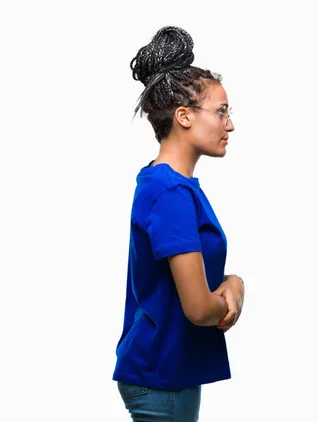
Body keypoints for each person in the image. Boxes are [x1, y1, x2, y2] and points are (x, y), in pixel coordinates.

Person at [112, 26, 245, 422]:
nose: (230, 124)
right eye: (221, 111)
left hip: (165, 373)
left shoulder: (170, 185)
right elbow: (199, 309)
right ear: (184, 116)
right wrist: (234, 291)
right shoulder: (170, 192)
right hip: (162, 378)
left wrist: (232, 283)